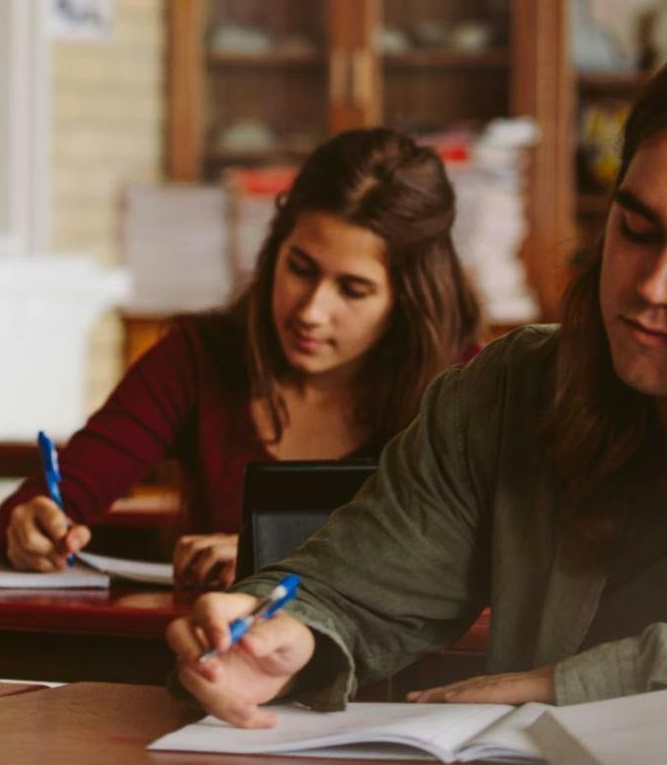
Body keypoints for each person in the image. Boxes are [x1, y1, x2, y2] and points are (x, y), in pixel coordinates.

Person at [171, 69, 667, 724]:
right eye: (635, 229)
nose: (652, 287)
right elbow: (357, 585)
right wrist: (281, 633)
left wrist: (560, 686)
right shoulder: (507, 392)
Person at [0, 128, 481, 588]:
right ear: (274, 249)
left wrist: (274, 554)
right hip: (207, 663)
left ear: (409, 299)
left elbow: (477, 555)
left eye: (353, 290)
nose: (311, 311)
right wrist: (28, 525)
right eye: (300, 269)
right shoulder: (199, 357)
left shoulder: (465, 387)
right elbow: (37, 506)